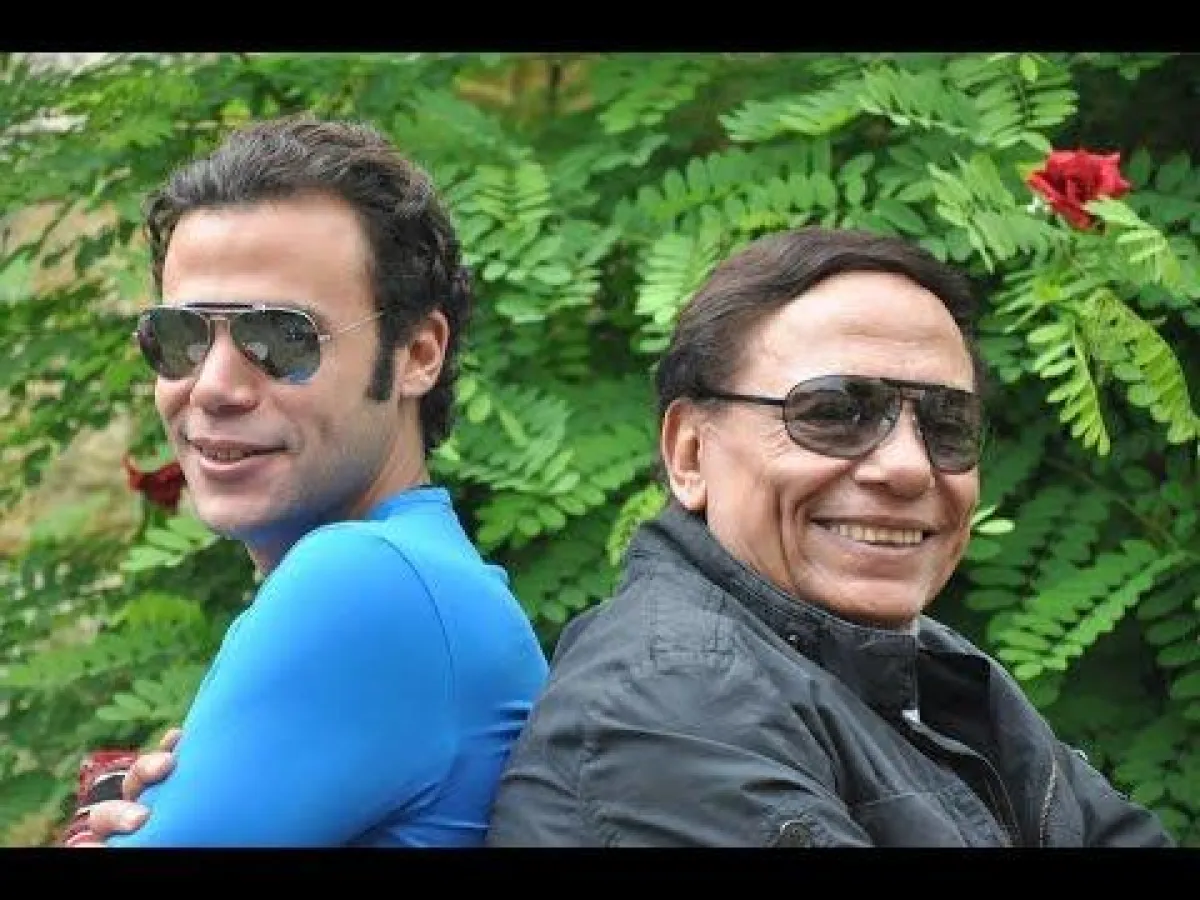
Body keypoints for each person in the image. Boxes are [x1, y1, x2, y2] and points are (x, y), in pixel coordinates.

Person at [83, 226, 1175, 848]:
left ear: (421, 354)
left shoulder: (927, 672)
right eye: (834, 411)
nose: (905, 466)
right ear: (688, 453)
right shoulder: (669, 708)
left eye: (945, 424)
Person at [74, 113, 548, 847]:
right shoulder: (425, 578)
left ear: (418, 353)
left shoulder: (368, 579)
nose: (213, 386)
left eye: (280, 336)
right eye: (180, 335)